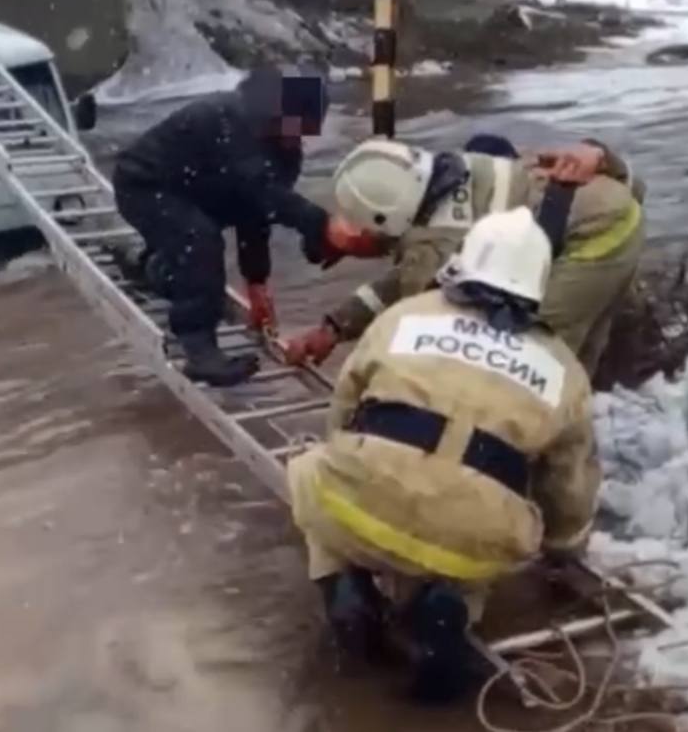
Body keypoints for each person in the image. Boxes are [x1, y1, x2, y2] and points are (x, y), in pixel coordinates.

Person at [287, 208, 600, 702]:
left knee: (309, 469)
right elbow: (569, 486)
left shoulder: (405, 316)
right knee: (469, 546)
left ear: (465, 261)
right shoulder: (565, 370)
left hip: (357, 506)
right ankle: (449, 605)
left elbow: (343, 408)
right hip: (466, 539)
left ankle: (343, 584)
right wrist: (565, 552)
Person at [284, 136, 645, 377]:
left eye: (359, 226)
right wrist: (335, 325)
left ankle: (528, 469)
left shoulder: (431, 247)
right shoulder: (456, 168)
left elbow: (426, 327)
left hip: (593, 240)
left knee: (533, 363)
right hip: (611, 210)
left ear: (385, 217)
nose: (354, 237)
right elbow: (396, 279)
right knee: (578, 366)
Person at [112, 67, 382, 387]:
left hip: (193, 187)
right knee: (200, 241)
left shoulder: (284, 149)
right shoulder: (235, 122)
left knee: (197, 246)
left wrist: (257, 283)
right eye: (293, 126)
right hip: (143, 184)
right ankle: (199, 351)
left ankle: (149, 267)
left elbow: (256, 215)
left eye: (304, 130)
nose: (297, 137)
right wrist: (322, 225)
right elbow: (263, 191)